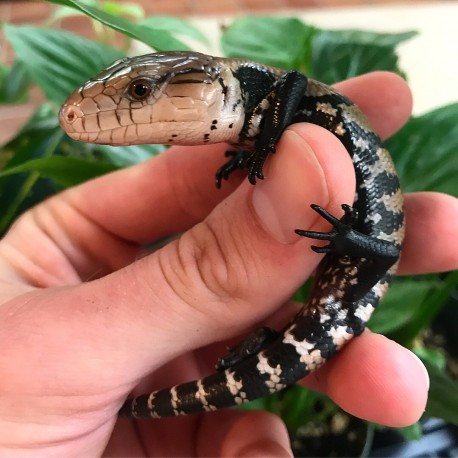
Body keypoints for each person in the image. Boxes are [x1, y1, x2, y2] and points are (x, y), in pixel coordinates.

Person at [0, 71, 457, 457]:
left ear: (213, 81)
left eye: (140, 91)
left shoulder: (272, 93)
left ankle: (150, 401)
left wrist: (342, 237)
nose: (134, 101)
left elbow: (295, 83)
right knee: (279, 358)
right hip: (351, 263)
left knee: (287, 353)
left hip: (363, 255)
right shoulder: (258, 109)